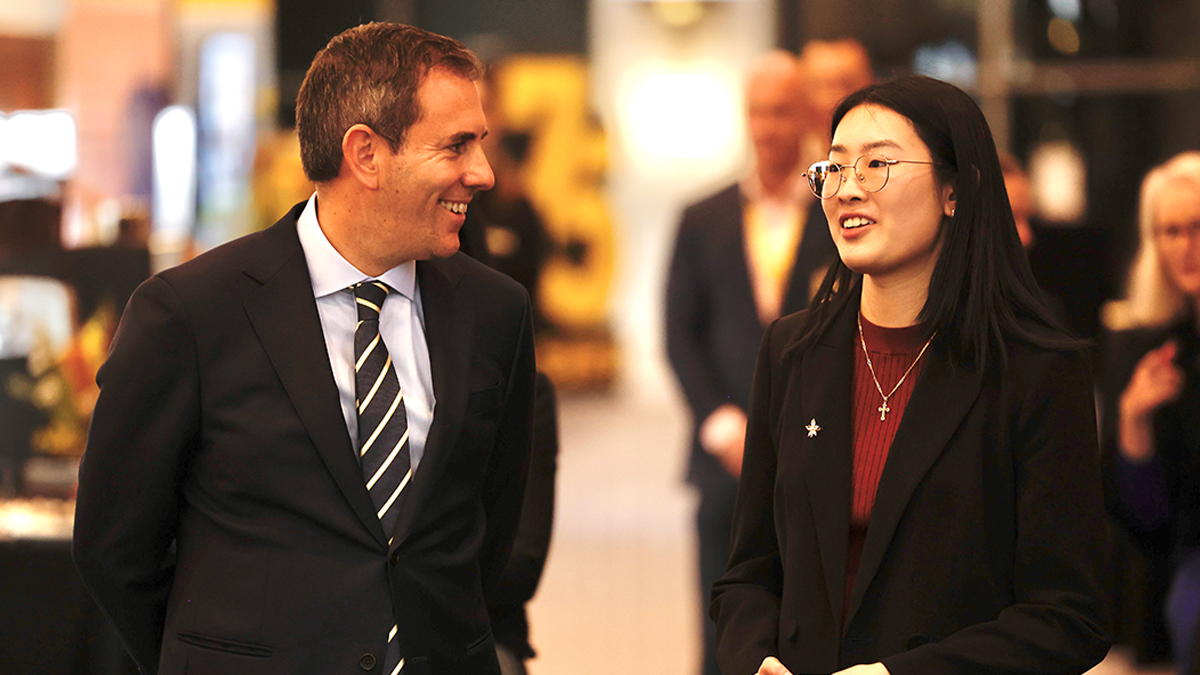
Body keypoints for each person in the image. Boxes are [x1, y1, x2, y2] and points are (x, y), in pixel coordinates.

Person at [72, 22, 535, 675]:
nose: (482, 174)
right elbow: (114, 548)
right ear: (366, 154)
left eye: (479, 144)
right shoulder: (189, 314)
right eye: (456, 146)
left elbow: (488, 532)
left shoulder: (496, 311)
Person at [710, 75, 1111, 675]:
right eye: (835, 168)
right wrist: (756, 660)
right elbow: (747, 575)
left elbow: (1069, 618)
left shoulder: (1036, 368)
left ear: (956, 191)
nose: (847, 190)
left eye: (877, 165)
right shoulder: (793, 350)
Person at [666, 50, 837, 675]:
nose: (769, 128)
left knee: (809, 622)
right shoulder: (702, 217)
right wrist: (721, 422)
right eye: (759, 112)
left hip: (817, 447)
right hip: (723, 460)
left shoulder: (837, 212)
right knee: (721, 625)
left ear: (806, 115)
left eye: (782, 111)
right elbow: (678, 333)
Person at [1101, 151, 1200, 675]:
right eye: (1171, 231)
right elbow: (1150, 525)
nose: (1186, 247)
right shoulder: (1157, 351)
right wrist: (1134, 420)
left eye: (1198, 227)